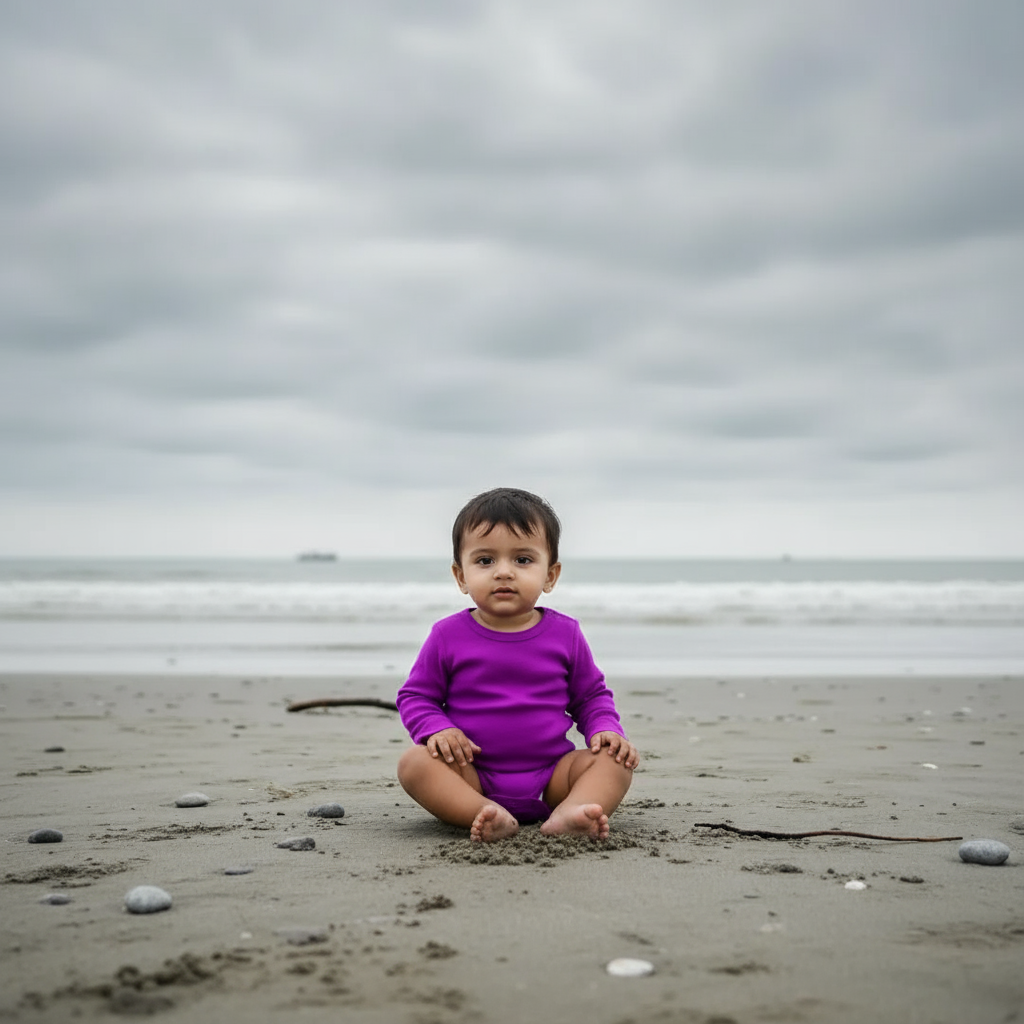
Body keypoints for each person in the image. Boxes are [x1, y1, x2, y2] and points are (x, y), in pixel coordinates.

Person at [396, 487, 638, 843]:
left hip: (554, 777)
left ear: (550, 575)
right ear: (461, 576)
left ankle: (571, 811)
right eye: (485, 561)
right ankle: (481, 813)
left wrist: (605, 728)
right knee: (414, 764)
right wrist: (437, 729)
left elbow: (590, 697)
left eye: (523, 560)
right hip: (472, 776)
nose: (504, 572)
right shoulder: (447, 635)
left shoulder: (565, 633)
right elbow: (416, 697)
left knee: (616, 762)